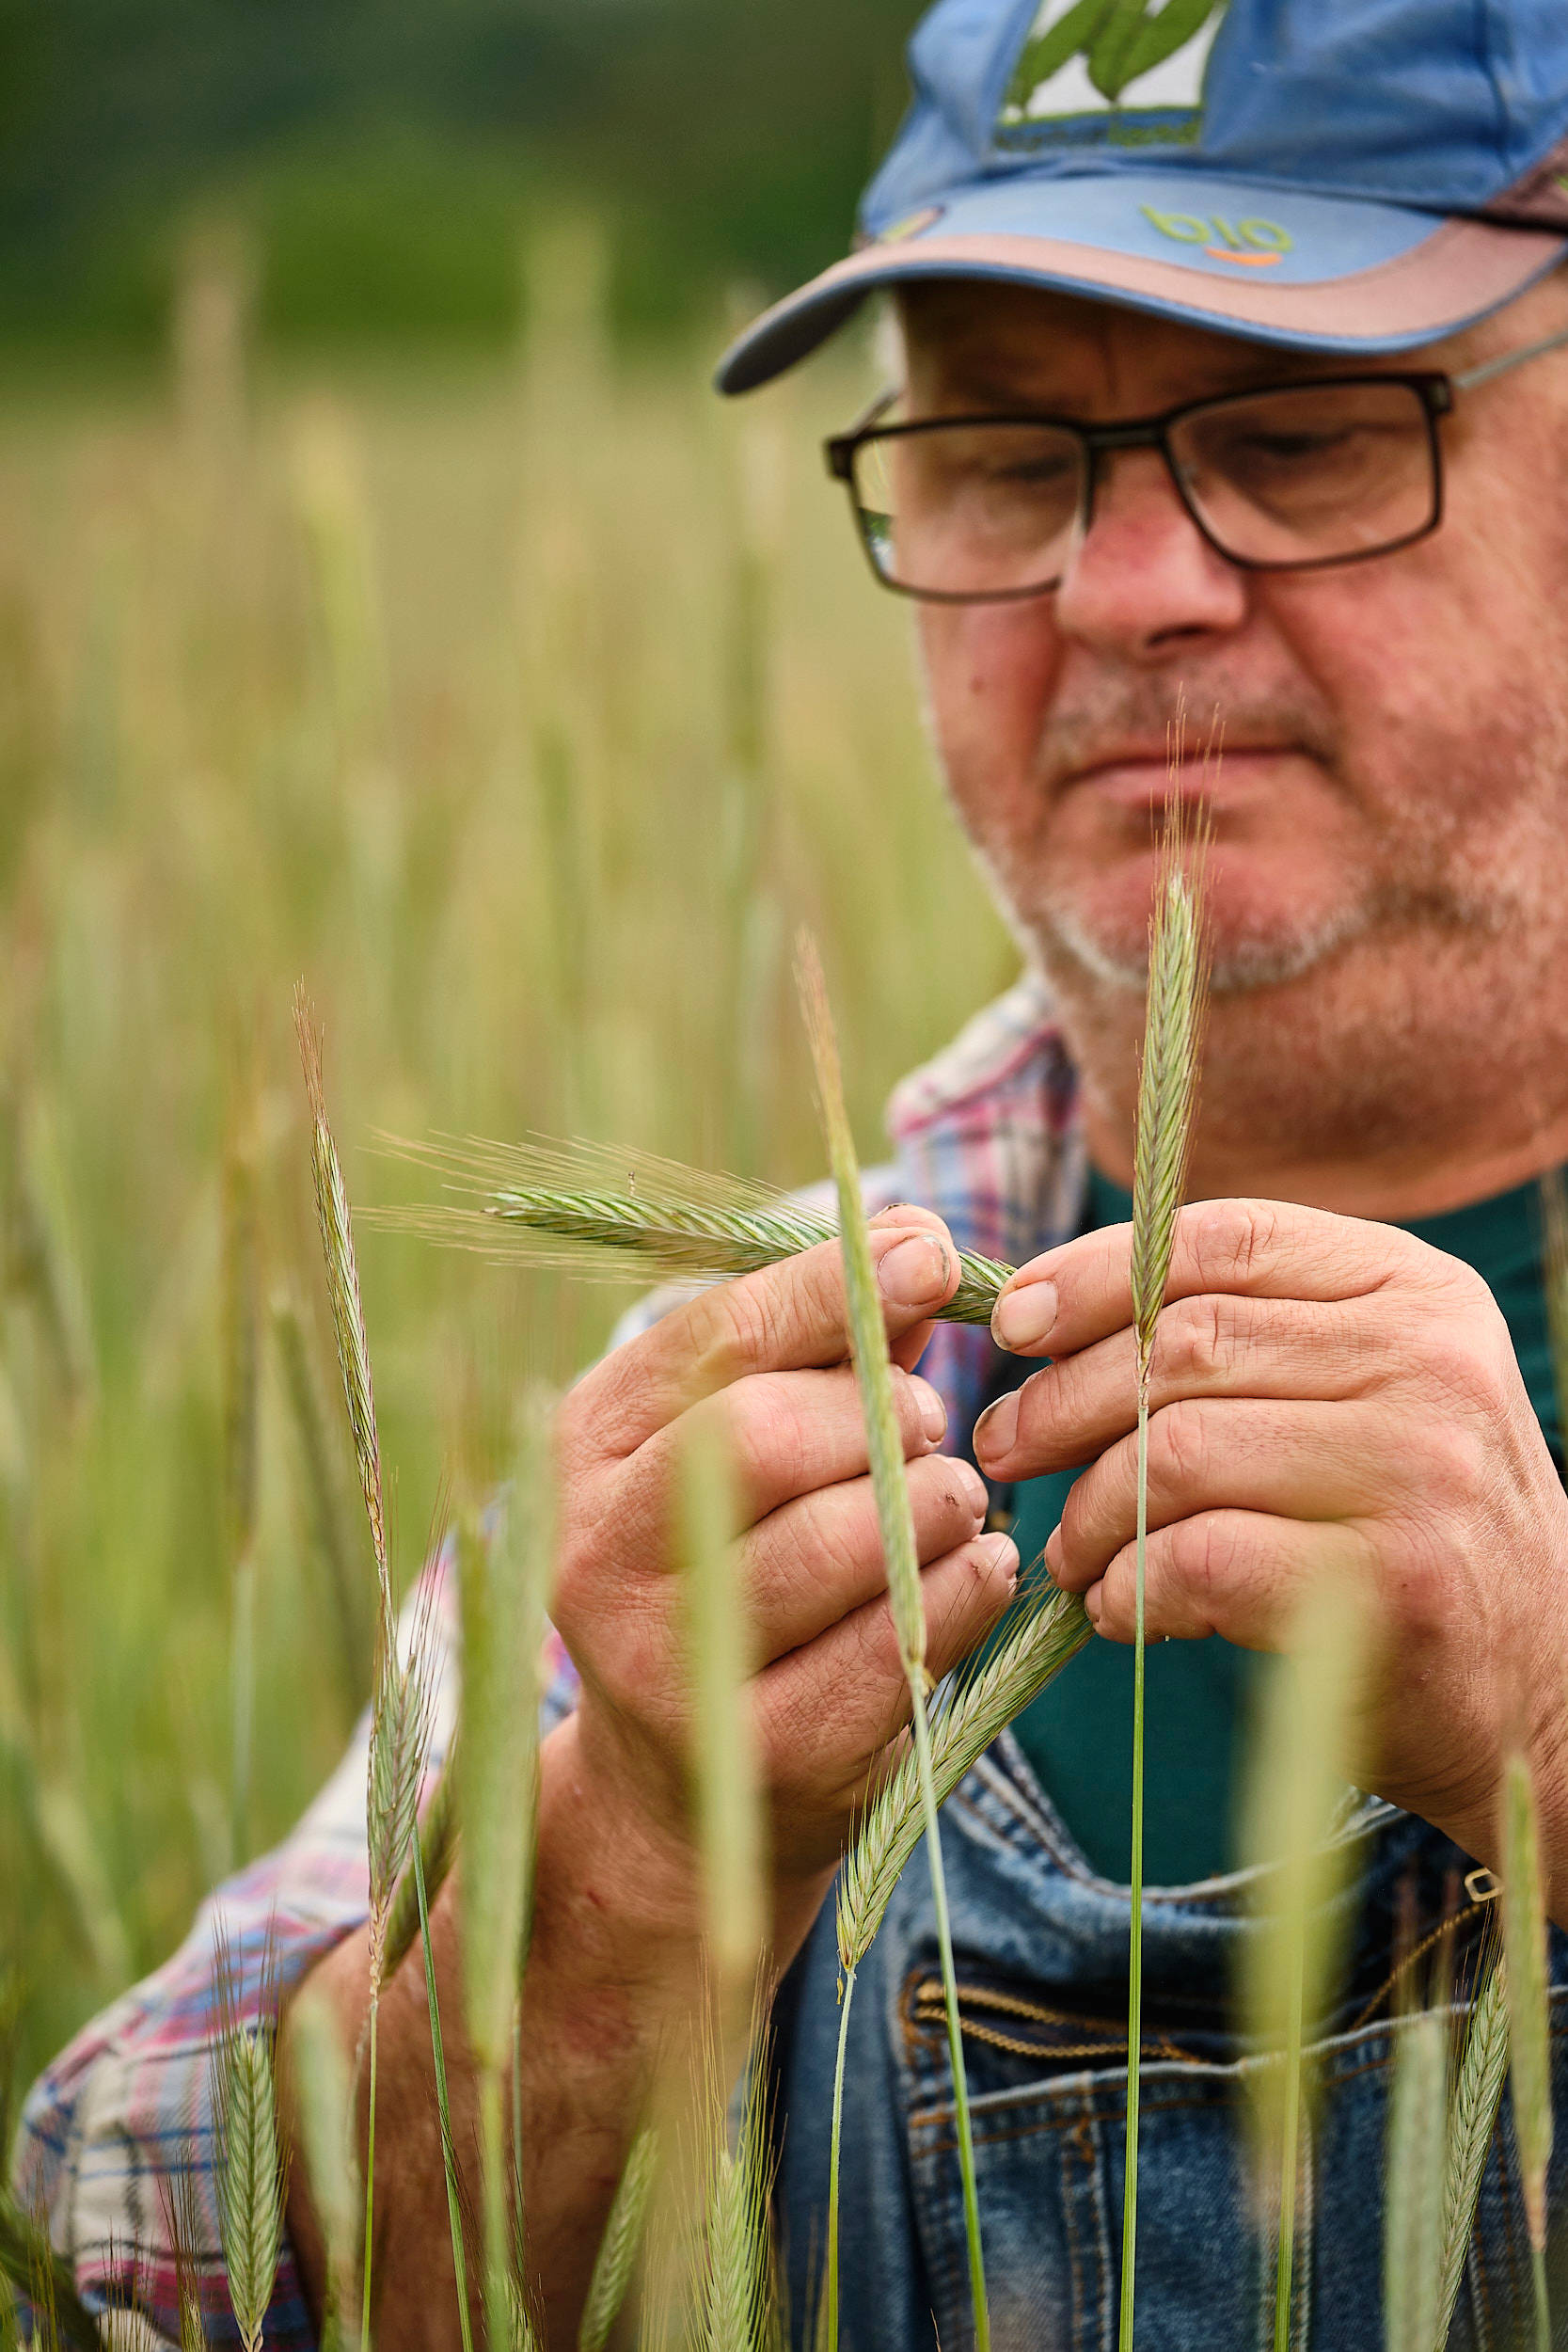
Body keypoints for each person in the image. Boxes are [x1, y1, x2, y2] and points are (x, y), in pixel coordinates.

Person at [20, 0, 1568, 2344]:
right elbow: (120, 2270)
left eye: (1301, 432)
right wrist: (616, 1888)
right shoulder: (753, 1391)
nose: (1125, 588)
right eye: (1007, 459)